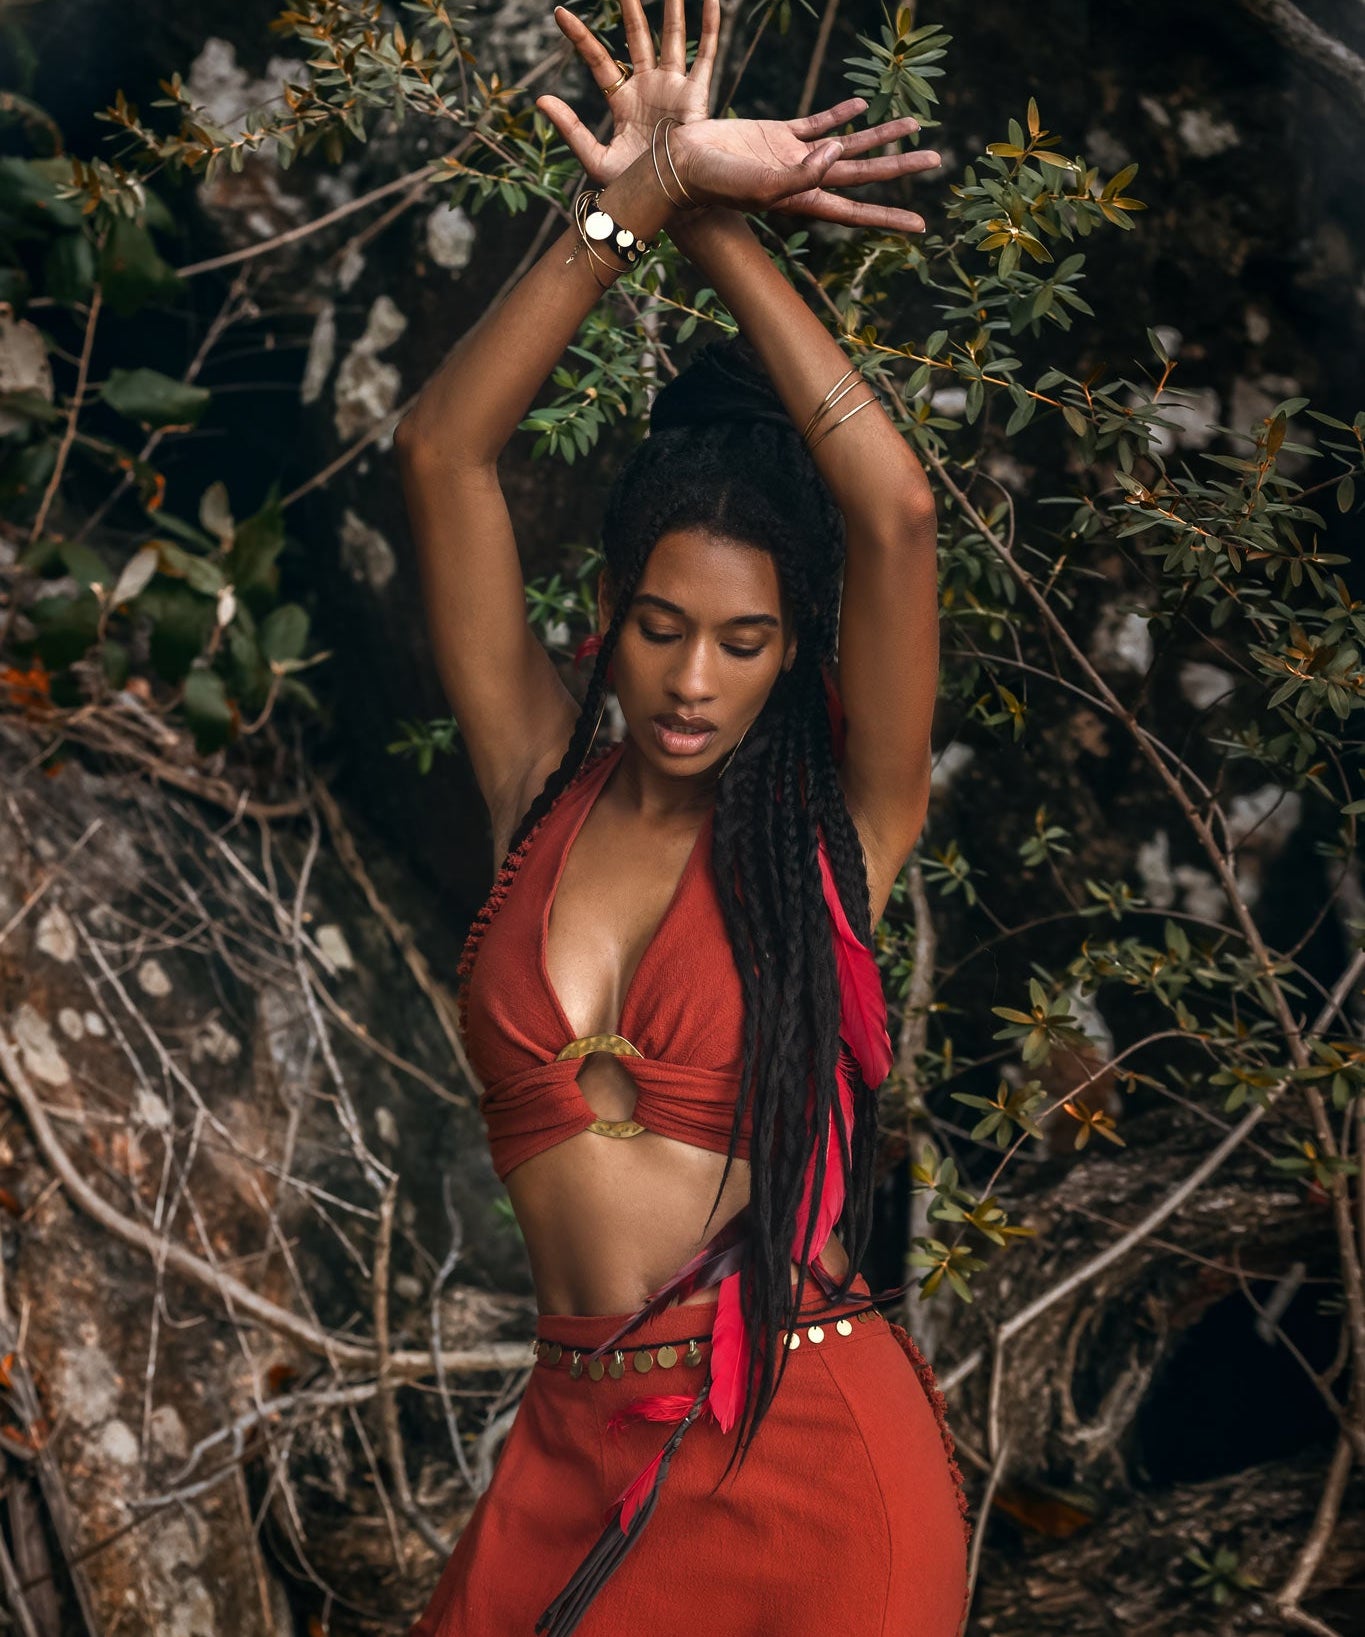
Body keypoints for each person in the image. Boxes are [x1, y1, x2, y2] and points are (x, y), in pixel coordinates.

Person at [395, 1, 966, 1631]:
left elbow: (896, 512)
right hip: (572, 1437)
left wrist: (716, 225)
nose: (694, 681)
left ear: (797, 656)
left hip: (806, 1450)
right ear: (607, 609)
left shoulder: (834, 834)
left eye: (745, 641)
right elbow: (443, 452)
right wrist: (628, 201)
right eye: (661, 626)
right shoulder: (536, 782)